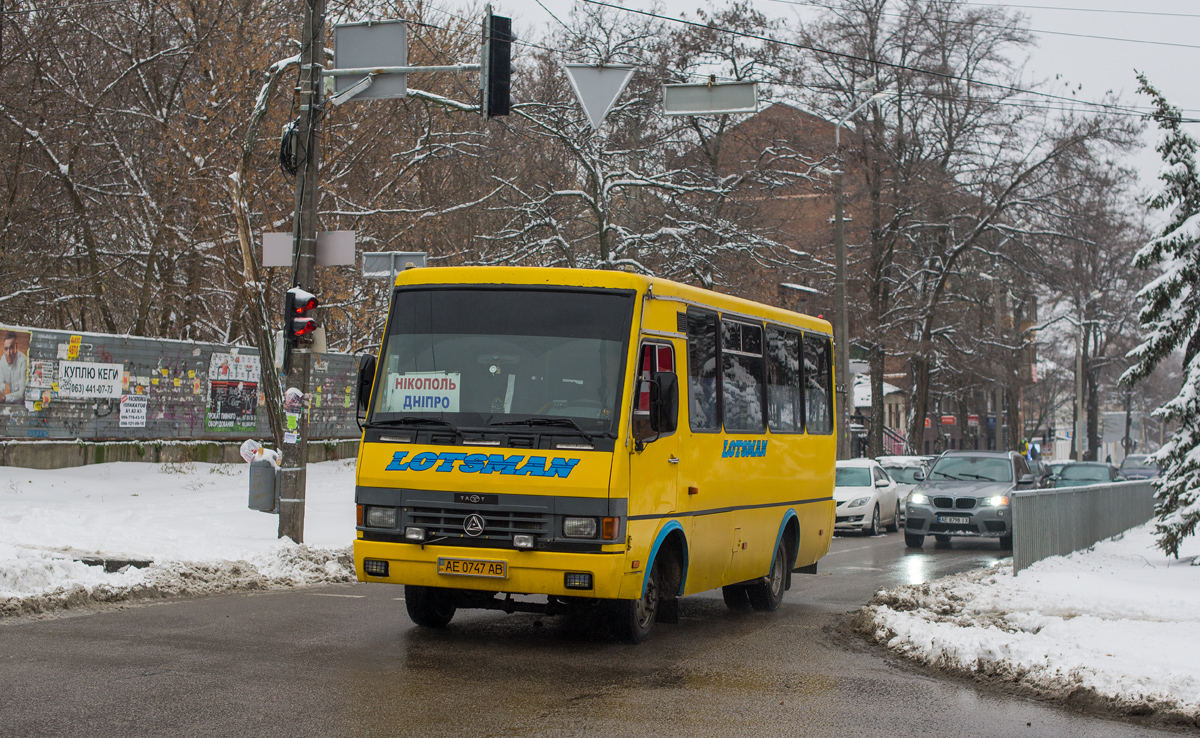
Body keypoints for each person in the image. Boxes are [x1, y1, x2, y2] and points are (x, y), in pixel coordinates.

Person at [1, 332, 28, 403]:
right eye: (6, 349)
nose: (8, 354)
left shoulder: (23, 361)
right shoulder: (3, 359)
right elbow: (1, 383)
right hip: (12, 404)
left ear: (16, 347)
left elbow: (22, 393)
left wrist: (4, 398)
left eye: (11, 348)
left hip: (24, 404)